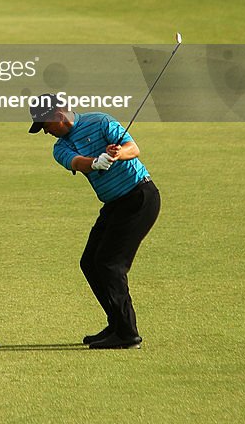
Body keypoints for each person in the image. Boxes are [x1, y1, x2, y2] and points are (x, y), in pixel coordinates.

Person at [28, 93, 160, 349]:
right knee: (90, 262)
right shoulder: (60, 147)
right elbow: (78, 162)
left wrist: (117, 153)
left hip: (139, 197)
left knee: (110, 264)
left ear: (58, 115)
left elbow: (134, 149)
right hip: (114, 204)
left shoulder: (100, 122)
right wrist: (97, 162)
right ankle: (117, 324)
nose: (45, 132)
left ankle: (127, 334)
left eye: (45, 126)